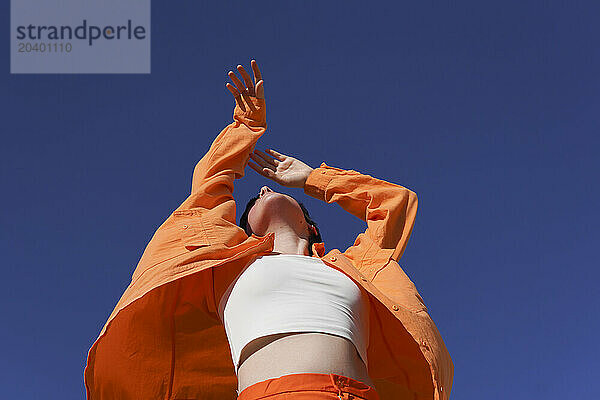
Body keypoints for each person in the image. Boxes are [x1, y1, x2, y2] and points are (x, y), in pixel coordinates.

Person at [84, 60, 453, 400]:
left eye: (270, 190)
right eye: (252, 203)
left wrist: (313, 178)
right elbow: (208, 190)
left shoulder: (352, 267)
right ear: (243, 231)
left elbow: (394, 203)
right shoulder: (225, 267)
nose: (263, 188)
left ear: (310, 225)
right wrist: (246, 126)